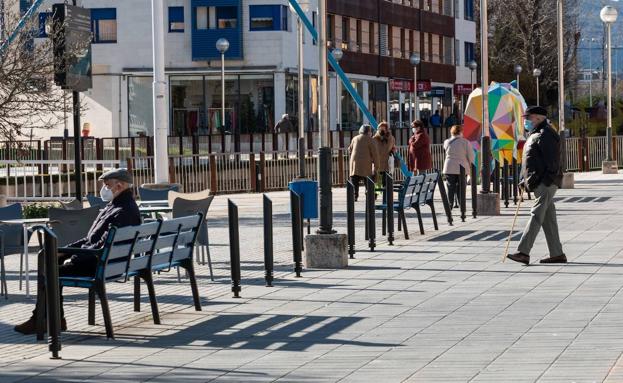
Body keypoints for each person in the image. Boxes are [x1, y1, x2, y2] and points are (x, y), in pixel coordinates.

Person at [14, 169, 141, 335]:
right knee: (52, 260)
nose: (104, 188)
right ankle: (50, 319)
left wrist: (73, 256)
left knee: (50, 273)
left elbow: (99, 247)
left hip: (98, 265)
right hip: (106, 263)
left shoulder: (122, 211)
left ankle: (42, 320)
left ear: (120, 185)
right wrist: (64, 252)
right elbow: (91, 239)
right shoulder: (118, 207)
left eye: (107, 184)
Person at [507, 106, 565, 266]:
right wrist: (523, 180)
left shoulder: (546, 134)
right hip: (540, 182)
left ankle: (523, 252)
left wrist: (544, 180)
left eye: (529, 117)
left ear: (538, 118)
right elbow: (529, 160)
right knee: (548, 219)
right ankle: (557, 253)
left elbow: (552, 162)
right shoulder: (537, 133)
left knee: (536, 215)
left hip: (545, 183)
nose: (526, 121)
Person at [442, 125, 475, 210]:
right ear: (461, 132)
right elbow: (471, 156)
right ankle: (462, 205)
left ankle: (450, 205)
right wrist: (471, 164)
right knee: (461, 187)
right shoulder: (465, 142)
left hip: (449, 167)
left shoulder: (447, 142)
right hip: (462, 168)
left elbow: (445, 150)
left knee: (450, 187)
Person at [349, 124, 379, 201]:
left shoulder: (355, 138)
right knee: (368, 181)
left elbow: (350, 149)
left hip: (354, 163)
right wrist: (376, 167)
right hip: (366, 164)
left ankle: (354, 195)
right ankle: (370, 194)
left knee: (354, 180)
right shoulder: (370, 140)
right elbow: (375, 154)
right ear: (369, 132)